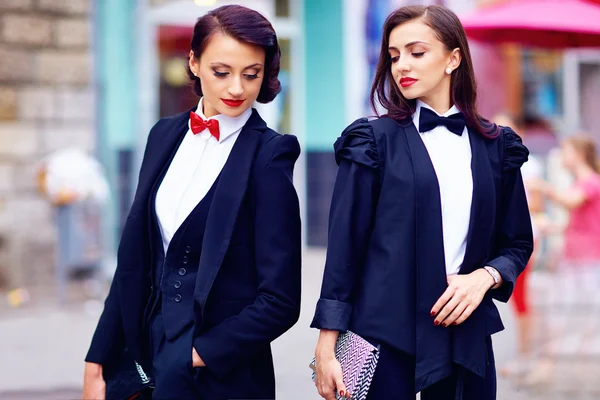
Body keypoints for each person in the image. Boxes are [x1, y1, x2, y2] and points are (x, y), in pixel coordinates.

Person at [311, 5, 533, 400]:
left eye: (417, 52)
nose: (401, 66)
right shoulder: (371, 142)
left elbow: (516, 243)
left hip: (464, 338)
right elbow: (344, 249)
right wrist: (327, 346)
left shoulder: (498, 147)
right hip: (379, 339)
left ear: (453, 58)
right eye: (394, 56)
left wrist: (484, 278)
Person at [81, 5, 302, 400]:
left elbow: (280, 301)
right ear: (194, 63)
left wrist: (193, 355)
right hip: (139, 363)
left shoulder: (271, 155)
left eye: (251, 74)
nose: (237, 88)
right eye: (222, 72)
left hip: (221, 377)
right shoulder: (163, 135)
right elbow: (134, 260)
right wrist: (97, 359)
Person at [532, 135, 600, 303]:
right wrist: (553, 228)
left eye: (565, 151)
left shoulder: (591, 182)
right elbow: (576, 224)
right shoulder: (579, 183)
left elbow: (570, 202)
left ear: (579, 154)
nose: (561, 155)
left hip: (588, 259)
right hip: (575, 256)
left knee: (586, 313)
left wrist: (542, 187)